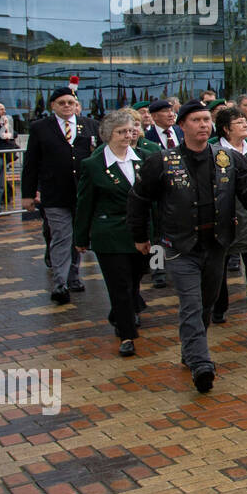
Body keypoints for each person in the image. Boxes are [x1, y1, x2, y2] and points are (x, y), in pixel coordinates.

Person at [128, 101, 247, 392]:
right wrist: (140, 236)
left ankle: (190, 349)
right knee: (192, 304)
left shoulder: (228, 158)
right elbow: (139, 199)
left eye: (207, 119)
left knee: (206, 302)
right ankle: (201, 363)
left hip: (217, 243)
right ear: (182, 126)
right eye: (196, 120)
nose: (203, 125)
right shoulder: (162, 161)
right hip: (180, 246)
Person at [74, 110, 153, 357]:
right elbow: (84, 203)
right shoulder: (93, 165)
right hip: (110, 233)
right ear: (108, 134)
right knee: (119, 285)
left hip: (142, 233)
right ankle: (127, 335)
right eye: (121, 132)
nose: (128, 136)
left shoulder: (146, 158)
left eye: (131, 131)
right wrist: (81, 237)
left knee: (135, 281)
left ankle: (120, 313)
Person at [21, 87, 99, 303]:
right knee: (61, 236)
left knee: (78, 236)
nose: (67, 106)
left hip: (82, 193)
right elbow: (31, 162)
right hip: (54, 193)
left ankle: (74, 276)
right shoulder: (40, 128)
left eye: (70, 102)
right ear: (52, 105)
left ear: (76, 105)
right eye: (61, 103)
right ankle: (60, 283)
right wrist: (27, 193)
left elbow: (100, 155)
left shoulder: (90, 125)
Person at [210, 107, 247, 329]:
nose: (245, 124)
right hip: (223, 216)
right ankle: (219, 306)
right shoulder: (214, 151)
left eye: (245, 121)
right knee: (218, 265)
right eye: (239, 122)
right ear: (226, 129)